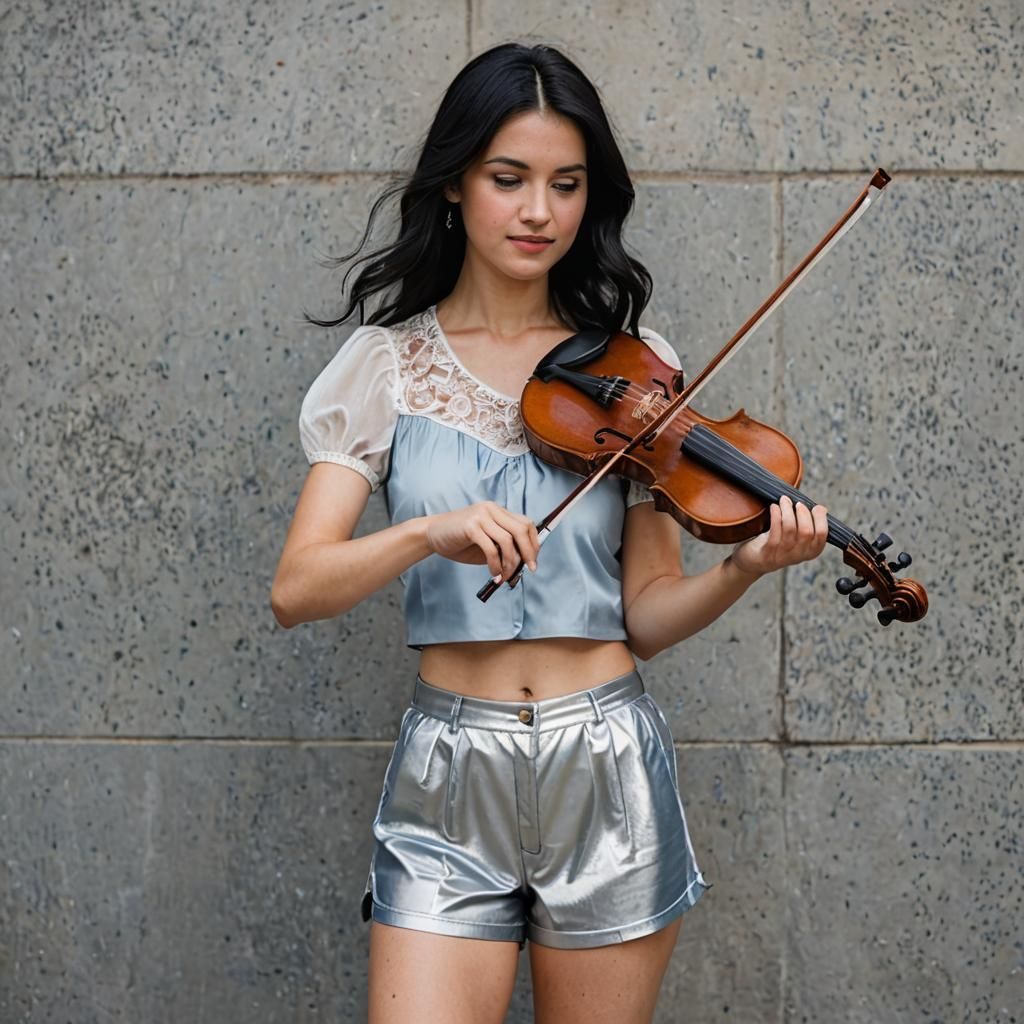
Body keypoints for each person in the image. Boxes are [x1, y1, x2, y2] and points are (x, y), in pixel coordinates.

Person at [271, 41, 828, 1024]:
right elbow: (297, 586)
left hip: (606, 762)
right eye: (509, 179)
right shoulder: (385, 365)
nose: (539, 211)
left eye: (566, 185)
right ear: (454, 184)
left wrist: (744, 563)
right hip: (449, 775)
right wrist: (425, 532)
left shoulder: (640, 370)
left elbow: (645, 614)